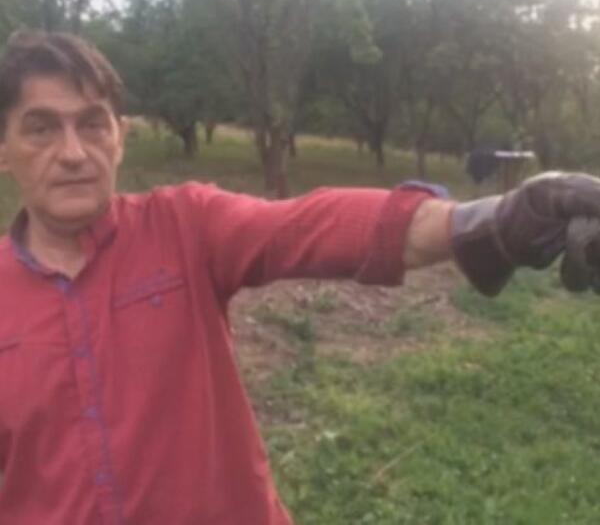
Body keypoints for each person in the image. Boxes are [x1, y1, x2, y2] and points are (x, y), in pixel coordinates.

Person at [0, 29, 599, 525]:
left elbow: (307, 226)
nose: (73, 152)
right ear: (5, 149)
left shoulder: (183, 225)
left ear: (120, 138)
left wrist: (488, 222)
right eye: (41, 128)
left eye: (93, 124)